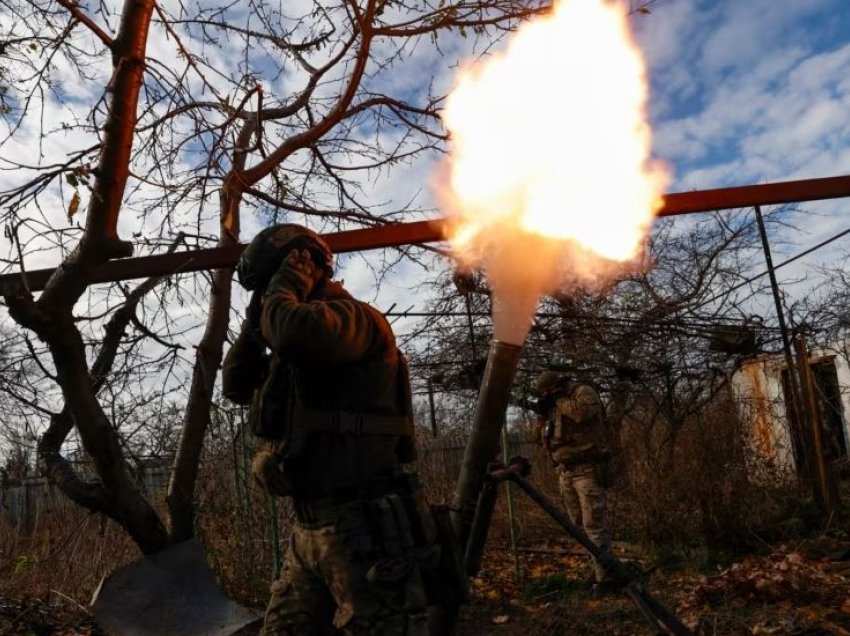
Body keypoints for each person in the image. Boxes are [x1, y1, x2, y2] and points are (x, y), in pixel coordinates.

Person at [222, 224, 434, 636]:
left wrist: (285, 287)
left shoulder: (351, 318)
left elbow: (297, 333)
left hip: (362, 525)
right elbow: (235, 385)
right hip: (309, 529)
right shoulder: (289, 336)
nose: (267, 298)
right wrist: (253, 323)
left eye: (271, 285)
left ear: (303, 269)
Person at [534, 371, 613, 586]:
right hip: (564, 471)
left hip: (587, 469)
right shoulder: (552, 406)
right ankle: (595, 571)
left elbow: (581, 414)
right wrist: (541, 415)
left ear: (557, 386)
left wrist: (558, 400)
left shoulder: (582, 393)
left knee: (594, 524)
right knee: (577, 525)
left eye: (547, 392)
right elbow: (537, 437)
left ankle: (605, 577)